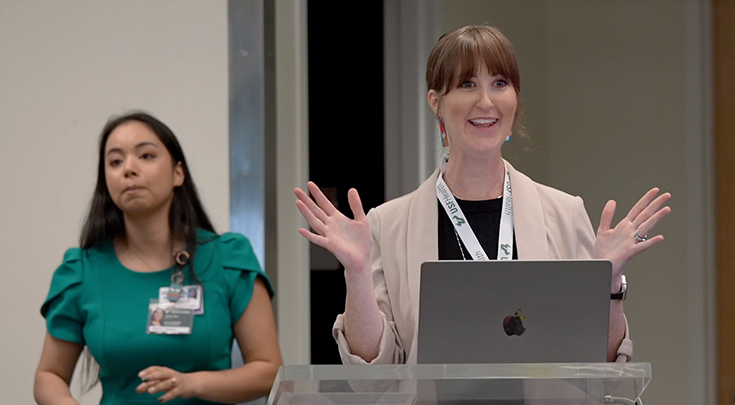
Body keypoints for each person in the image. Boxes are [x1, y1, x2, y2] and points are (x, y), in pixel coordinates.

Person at [294, 25, 671, 365]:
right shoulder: (387, 225)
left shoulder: (563, 213)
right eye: (467, 84)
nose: (486, 102)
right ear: (435, 101)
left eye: (500, 83)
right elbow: (374, 365)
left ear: (515, 100)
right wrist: (357, 275)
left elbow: (601, 362)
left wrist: (607, 284)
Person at [34, 112, 282, 404]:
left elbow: (269, 370)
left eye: (146, 156)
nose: (128, 169)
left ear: (178, 173)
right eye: (115, 161)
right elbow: (49, 376)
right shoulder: (82, 272)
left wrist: (193, 383)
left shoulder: (227, 259)